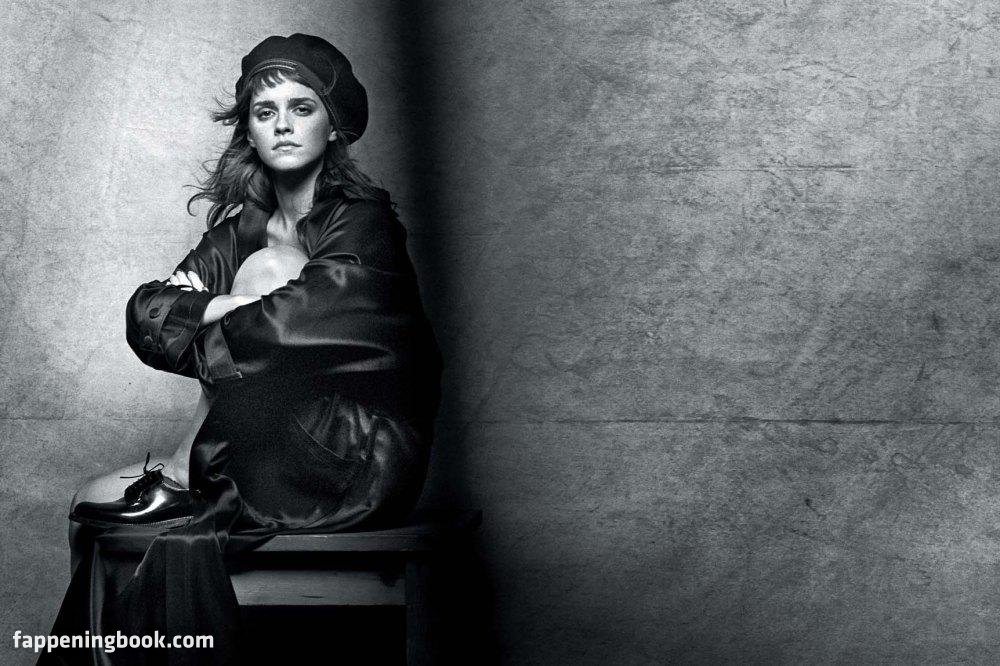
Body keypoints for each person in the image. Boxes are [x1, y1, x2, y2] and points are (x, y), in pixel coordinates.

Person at [41, 34, 441, 665]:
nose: (283, 125)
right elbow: (145, 314)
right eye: (265, 111)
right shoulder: (240, 231)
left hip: (357, 454)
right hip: (265, 442)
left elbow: (284, 333)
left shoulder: (364, 222)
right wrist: (224, 308)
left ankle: (180, 472)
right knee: (88, 504)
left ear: (333, 126)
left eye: (302, 108)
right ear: (248, 132)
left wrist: (208, 305)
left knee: (268, 269)